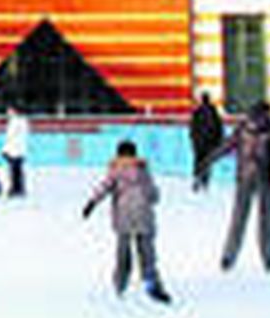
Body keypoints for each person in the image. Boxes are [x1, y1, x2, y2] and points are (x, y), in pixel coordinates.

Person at [198, 100, 270, 273]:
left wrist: (207, 161)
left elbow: (224, 147)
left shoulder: (242, 129)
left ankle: (228, 257)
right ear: (266, 114)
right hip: (265, 179)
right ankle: (268, 258)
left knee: (238, 219)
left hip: (244, 178)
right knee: (266, 221)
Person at [82, 141, 172, 304]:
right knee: (147, 253)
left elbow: (103, 188)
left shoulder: (115, 170)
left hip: (123, 217)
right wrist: (150, 196)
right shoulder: (142, 169)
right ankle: (152, 284)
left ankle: (120, 283)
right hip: (143, 216)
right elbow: (153, 194)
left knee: (123, 252)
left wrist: (91, 203)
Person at [190, 93, 226, 192]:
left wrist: (193, 140)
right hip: (209, 142)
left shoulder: (197, 112)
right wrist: (218, 141)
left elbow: (193, 128)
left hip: (199, 143)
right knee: (207, 161)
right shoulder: (214, 112)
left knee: (198, 160)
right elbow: (219, 128)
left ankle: (197, 179)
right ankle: (205, 180)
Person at [2, 105, 31, 197]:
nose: (8, 113)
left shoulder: (15, 122)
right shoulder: (23, 122)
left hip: (14, 150)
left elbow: (10, 138)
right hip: (19, 150)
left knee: (14, 171)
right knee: (17, 171)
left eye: (9, 111)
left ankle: (15, 189)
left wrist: (5, 149)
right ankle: (19, 188)